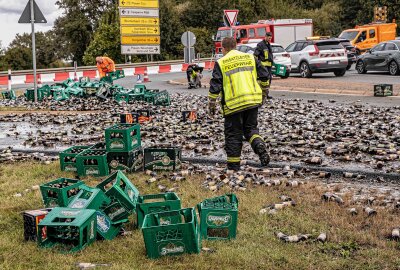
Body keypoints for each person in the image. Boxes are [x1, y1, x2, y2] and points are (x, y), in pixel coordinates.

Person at [208, 37, 270, 171]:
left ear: (223, 48)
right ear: (236, 46)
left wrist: (211, 104)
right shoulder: (250, 58)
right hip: (253, 101)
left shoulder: (221, 62)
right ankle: (259, 145)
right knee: (251, 130)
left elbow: (215, 85)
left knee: (233, 135)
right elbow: (265, 75)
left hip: (233, 105)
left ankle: (234, 167)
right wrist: (264, 92)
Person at [254, 32, 274, 100]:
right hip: (263, 66)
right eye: (269, 38)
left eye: (271, 38)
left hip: (269, 66)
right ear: (265, 36)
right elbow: (255, 55)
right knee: (264, 81)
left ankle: (266, 94)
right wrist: (258, 64)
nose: (270, 39)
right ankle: (262, 94)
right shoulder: (260, 45)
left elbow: (269, 55)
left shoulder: (268, 44)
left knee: (269, 80)